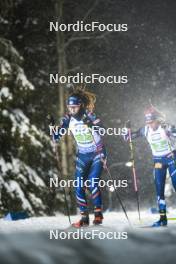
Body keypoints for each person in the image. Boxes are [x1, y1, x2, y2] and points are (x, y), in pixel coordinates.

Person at [52, 88, 107, 227]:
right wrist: (53, 130)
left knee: (92, 182)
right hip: (83, 155)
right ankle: (84, 218)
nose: (71, 110)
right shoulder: (68, 119)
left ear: (81, 105)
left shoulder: (89, 115)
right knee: (78, 186)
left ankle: (98, 213)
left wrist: (91, 125)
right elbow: (57, 135)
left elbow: (103, 130)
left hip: (97, 153)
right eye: (69, 107)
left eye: (74, 107)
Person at [125, 106, 176, 227]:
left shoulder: (166, 127)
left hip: (172, 158)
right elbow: (127, 138)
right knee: (159, 189)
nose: (150, 124)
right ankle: (162, 218)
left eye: (152, 122)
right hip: (158, 161)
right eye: (148, 122)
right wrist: (126, 129)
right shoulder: (145, 130)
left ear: (158, 120)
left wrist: (172, 132)